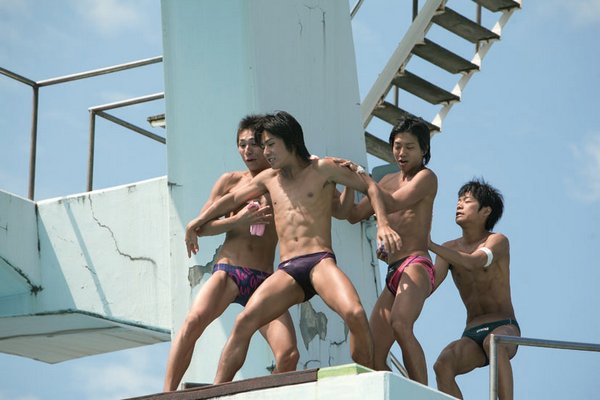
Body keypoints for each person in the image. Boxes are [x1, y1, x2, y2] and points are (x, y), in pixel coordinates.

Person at [185, 111, 402, 383]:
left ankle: (368, 382)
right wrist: (197, 222)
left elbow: (369, 186)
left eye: (270, 144)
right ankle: (219, 391)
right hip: (288, 270)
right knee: (243, 322)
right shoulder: (268, 178)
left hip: (320, 262)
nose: (266, 152)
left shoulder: (323, 168)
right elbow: (231, 200)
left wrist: (383, 224)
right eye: (263, 145)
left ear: (290, 142)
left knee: (355, 313)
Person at [163, 115, 300, 392]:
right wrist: (237, 221)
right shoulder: (230, 182)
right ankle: (167, 393)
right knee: (192, 323)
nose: (247, 151)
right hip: (230, 270)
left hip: (265, 279)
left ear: (267, 145)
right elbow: (202, 226)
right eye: (241, 144)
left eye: (254, 144)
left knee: (289, 354)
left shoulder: (282, 180)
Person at [344, 117, 437, 385]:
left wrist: (365, 181)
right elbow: (352, 215)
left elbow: (394, 202)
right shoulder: (385, 180)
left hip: (415, 264)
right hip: (392, 272)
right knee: (369, 353)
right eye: (397, 146)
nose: (401, 153)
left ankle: (421, 393)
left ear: (424, 150)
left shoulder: (426, 177)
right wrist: (347, 182)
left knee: (400, 324)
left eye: (409, 147)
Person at [429, 178, 520, 400]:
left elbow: (474, 262)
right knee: (443, 364)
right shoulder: (449, 248)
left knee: (494, 343)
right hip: (471, 333)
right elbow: (428, 285)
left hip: (503, 326)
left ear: (485, 211)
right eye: (458, 200)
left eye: (467, 201)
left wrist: (429, 244)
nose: (459, 205)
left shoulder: (497, 241)